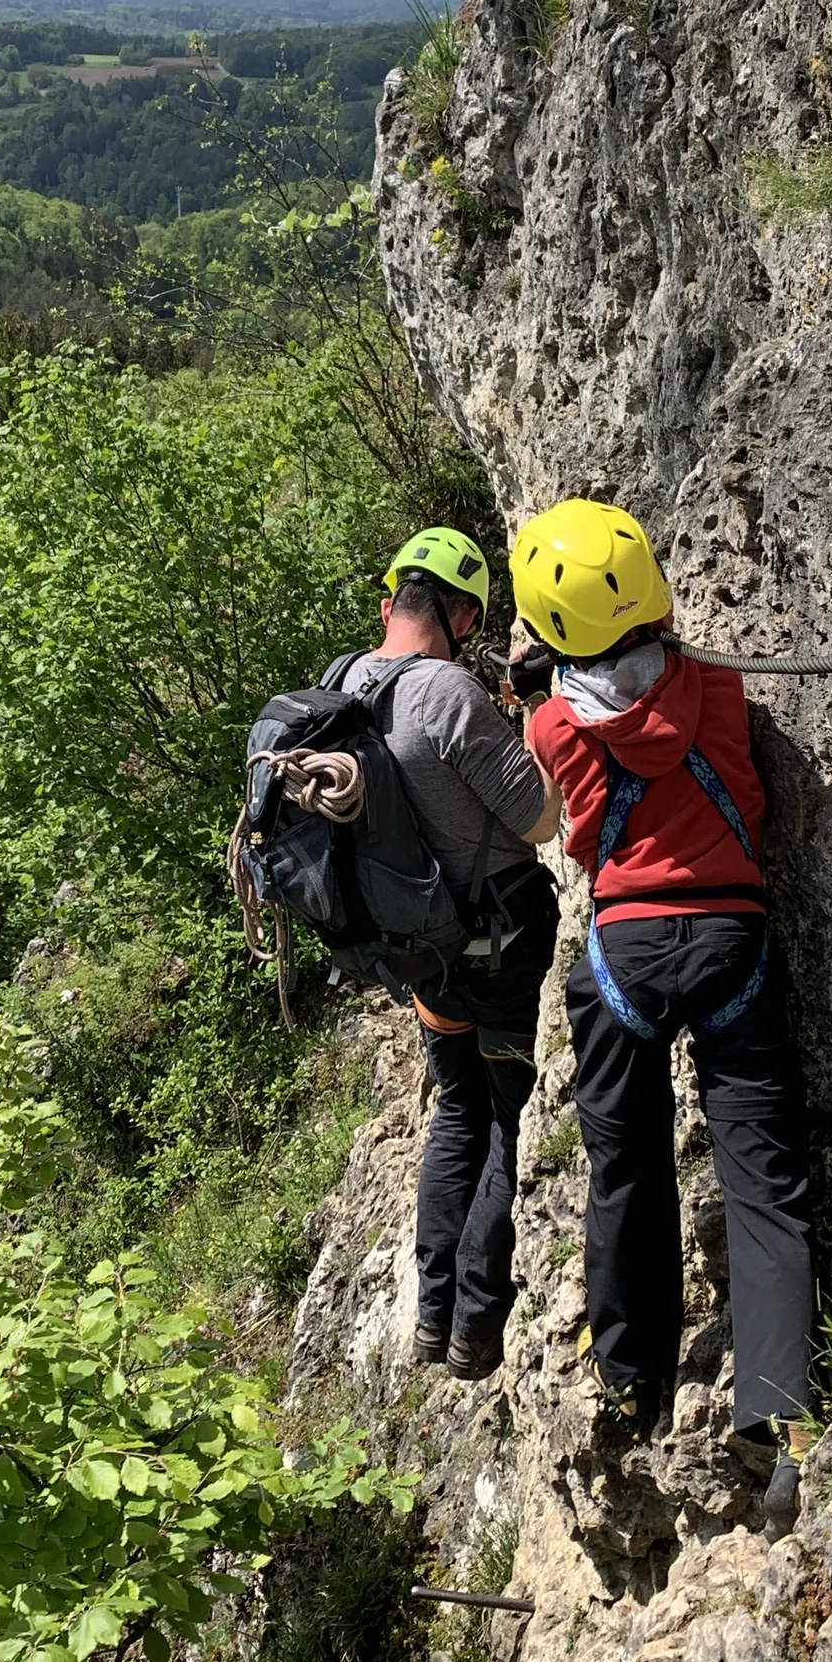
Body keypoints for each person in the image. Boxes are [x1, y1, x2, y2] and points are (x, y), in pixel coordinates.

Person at [510, 497, 815, 1527]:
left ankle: (630, 1375)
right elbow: (671, 691)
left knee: (627, 1165)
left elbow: (563, 793)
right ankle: (778, 1419)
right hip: (731, 936)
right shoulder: (721, 686)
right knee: (762, 1179)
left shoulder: (550, 722)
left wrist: (542, 678)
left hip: (623, 954)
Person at [335, 528, 563, 1381]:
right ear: (465, 616)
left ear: (390, 602)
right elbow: (539, 818)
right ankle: (475, 1322)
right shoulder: (448, 693)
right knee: (506, 1110)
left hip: (418, 953)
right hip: (499, 943)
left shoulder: (344, 685)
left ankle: (431, 1319)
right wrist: (534, 707)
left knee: (457, 1108)